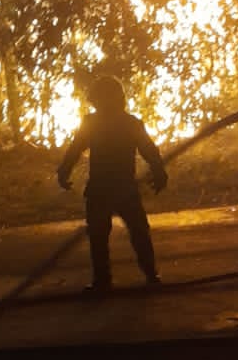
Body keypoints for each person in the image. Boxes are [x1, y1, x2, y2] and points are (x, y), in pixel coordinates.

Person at [57, 76, 168, 295]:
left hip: (104, 188)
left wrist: (63, 172)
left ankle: (104, 280)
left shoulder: (94, 123)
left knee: (103, 235)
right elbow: (150, 151)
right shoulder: (128, 123)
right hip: (122, 187)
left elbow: (74, 150)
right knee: (136, 232)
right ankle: (149, 276)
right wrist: (159, 172)